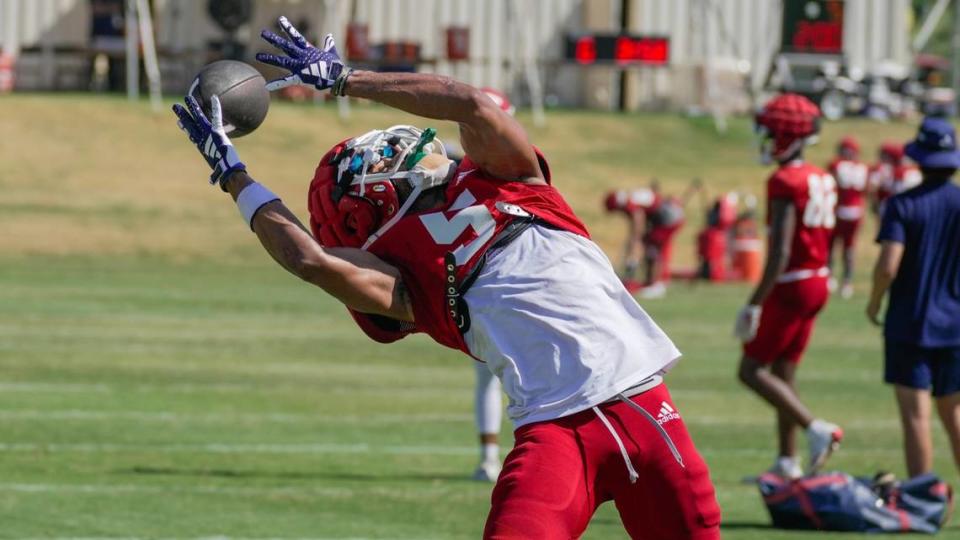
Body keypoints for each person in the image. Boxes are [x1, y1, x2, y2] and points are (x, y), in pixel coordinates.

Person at [172, 18, 721, 539]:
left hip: (647, 407)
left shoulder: (512, 181)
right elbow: (310, 260)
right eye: (365, 159)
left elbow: (472, 104)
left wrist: (345, 78)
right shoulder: (411, 284)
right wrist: (233, 175)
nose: (380, 148)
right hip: (556, 437)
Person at [734, 94, 844, 480]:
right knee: (784, 371)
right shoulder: (821, 176)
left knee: (750, 370)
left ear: (786, 136)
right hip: (817, 279)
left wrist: (754, 303)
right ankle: (787, 461)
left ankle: (817, 429)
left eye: (770, 134)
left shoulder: (784, 180)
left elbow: (780, 252)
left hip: (793, 280)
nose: (765, 141)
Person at [866, 117, 960, 480]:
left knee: (916, 416)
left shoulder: (901, 205)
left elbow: (888, 265)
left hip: (911, 323)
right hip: (955, 326)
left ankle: (924, 498)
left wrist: (875, 302)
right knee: (953, 413)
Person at [445, 87, 517, 482]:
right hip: (479, 281)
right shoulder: (456, 166)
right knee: (495, 375)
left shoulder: (508, 169)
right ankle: (491, 456)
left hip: (495, 280)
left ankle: (496, 458)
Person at [826, 136, 870, 299]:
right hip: (855, 211)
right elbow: (866, 190)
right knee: (849, 248)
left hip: (839, 209)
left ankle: (830, 277)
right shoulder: (863, 167)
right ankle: (847, 282)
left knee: (832, 245)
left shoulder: (836, 165)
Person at [870, 142, 922, 217]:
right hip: (909, 210)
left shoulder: (885, 170)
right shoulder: (914, 170)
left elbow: (872, 187)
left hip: (892, 209)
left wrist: (875, 203)